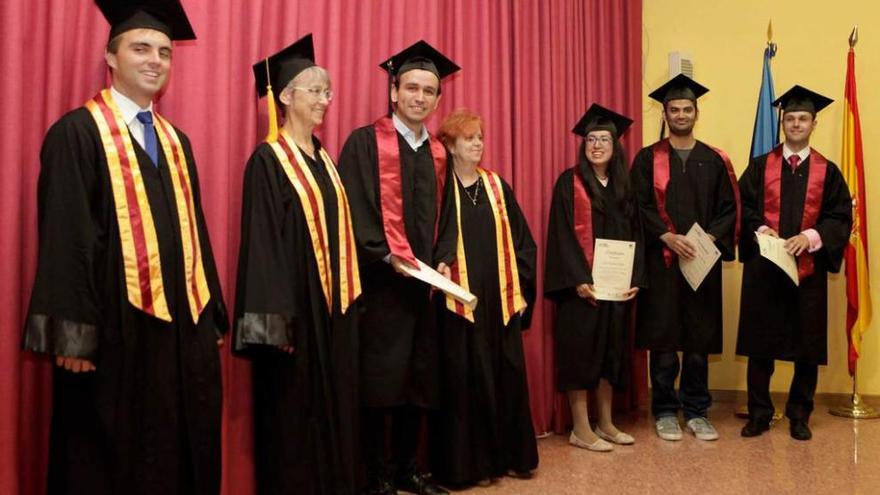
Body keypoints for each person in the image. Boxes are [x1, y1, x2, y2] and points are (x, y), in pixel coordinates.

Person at [21, 1, 228, 493]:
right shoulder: (76, 133)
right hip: (114, 329)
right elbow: (66, 240)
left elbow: (194, 229)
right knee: (107, 453)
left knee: (180, 440)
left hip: (181, 327)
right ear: (110, 57)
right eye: (141, 49)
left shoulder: (178, 142)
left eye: (164, 52)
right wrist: (71, 335)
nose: (155, 60)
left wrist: (211, 311)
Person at [233, 34, 362, 494]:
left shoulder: (325, 158)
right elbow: (264, 247)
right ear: (284, 96)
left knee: (335, 410)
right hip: (294, 318)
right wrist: (275, 324)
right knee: (293, 418)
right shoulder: (267, 161)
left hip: (333, 313)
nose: (325, 100)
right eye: (315, 91)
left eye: (327, 92)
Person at [338, 40, 458, 495]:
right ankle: (376, 476)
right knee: (381, 382)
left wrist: (442, 259)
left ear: (437, 99)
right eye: (411, 88)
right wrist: (388, 256)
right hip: (381, 286)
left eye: (429, 91)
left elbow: (447, 218)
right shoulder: (364, 143)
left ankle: (409, 468)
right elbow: (353, 209)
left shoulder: (439, 154)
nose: (420, 98)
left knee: (419, 381)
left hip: (424, 289)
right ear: (393, 92)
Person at [428, 108, 538, 486]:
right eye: (469, 138)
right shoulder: (440, 189)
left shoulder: (495, 186)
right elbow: (432, 243)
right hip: (460, 306)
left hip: (500, 302)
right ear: (450, 145)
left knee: (504, 376)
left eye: (480, 137)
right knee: (465, 381)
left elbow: (524, 242)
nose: (477, 143)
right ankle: (468, 466)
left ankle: (508, 457)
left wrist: (520, 288)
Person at [736, 86, 852, 441]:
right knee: (761, 344)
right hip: (765, 272)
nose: (796, 124)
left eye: (803, 118)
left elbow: (840, 217)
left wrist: (812, 237)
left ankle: (800, 414)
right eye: (790, 118)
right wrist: (760, 228)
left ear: (814, 123)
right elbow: (743, 207)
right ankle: (759, 413)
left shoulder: (827, 171)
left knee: (806, 346)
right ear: (782, 123)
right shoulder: (759, 167)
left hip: (808, 274)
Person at [630, 74, 740, 442]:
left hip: (700, 263)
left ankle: (696, 411)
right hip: (662, 261)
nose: (680, 114)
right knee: (663, 339)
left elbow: (729, 209)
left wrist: (710, 237)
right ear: (665, 112)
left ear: (696, 112)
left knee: (697, 340)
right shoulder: (648, 159)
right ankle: (664, 410)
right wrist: (665, 235)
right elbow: (638, 205)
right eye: (674, 109)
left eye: (686, 109)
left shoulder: (715, 159)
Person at [545, 104, 644, 452]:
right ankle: (580, 427)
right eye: (591, 139)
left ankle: (605, 422)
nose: (597, 145)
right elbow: (560, 235)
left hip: (615, 289)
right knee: (581, 355)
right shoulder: (569, 183)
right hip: (581, 290)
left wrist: (634, 277)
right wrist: (577, 279)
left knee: (610, 355)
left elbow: (637, 235)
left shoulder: (624, 186)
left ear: (616, 146)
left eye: (604, 139)